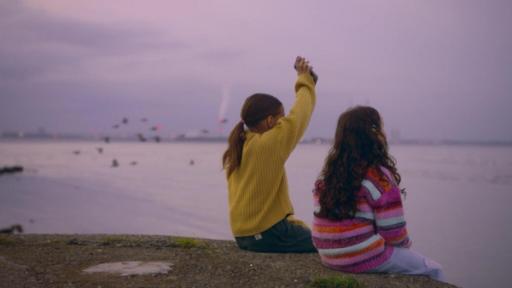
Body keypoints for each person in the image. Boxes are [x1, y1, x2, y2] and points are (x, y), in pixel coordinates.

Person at [312, 106, 446, 281]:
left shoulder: (327, 177)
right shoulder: (378, 176)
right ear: (374, 136)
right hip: (361, 256)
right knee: (433, 269)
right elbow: (394, 233)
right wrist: (405, 248)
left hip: (328, 255)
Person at [222, 56, 317, 253]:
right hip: (266, 233)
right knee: (331, 243)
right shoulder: (268, 143)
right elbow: (300, 114)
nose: (282, 122)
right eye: (279, 118)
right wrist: (304, 80)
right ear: (269, 121)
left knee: (305, 230)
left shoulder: (238, 145)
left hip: (243, 235)